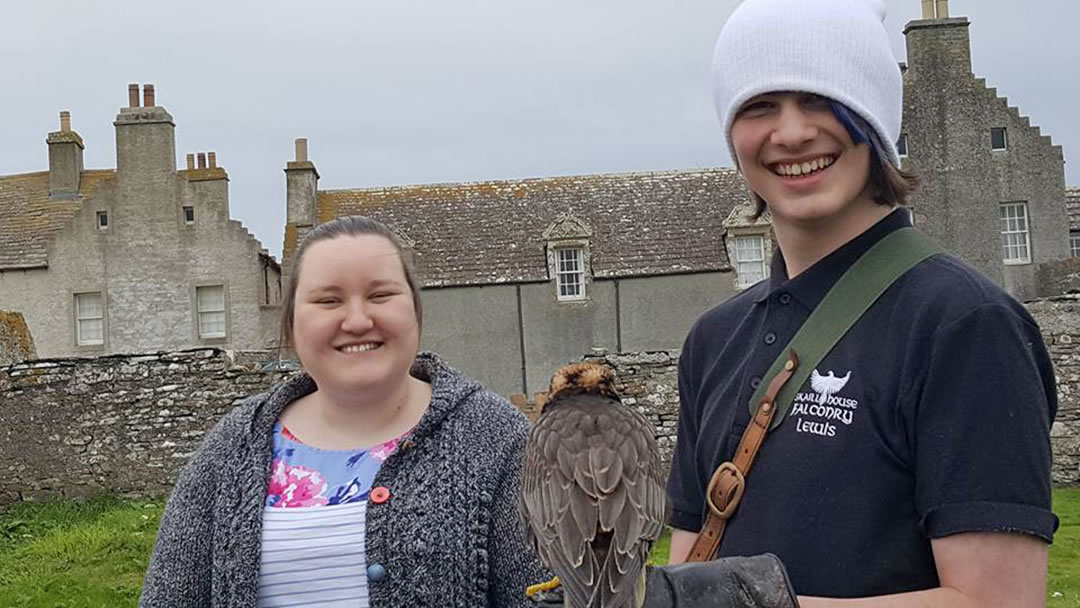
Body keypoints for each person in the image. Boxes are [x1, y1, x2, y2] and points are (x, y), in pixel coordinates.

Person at [665, 0, 1059, 606]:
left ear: (873, 118)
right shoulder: (713, 339)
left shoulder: (964, 324)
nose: (791, 132)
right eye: (760, 105)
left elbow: (998, 600)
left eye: (822, 99)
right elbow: (691, 574)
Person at [141, 215, 546, 607]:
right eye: (328, 300)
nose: (357, 320)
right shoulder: (234, 447)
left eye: (381, 295)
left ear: (416, 311)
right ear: (292, 323)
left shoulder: (496, 439)